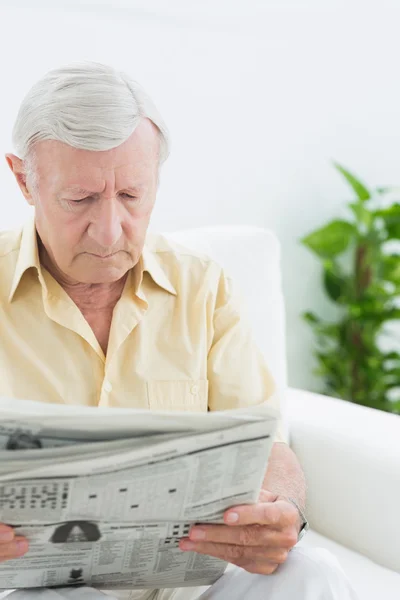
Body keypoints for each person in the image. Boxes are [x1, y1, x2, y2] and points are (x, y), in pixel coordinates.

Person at [0, 62, 358, 600]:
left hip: (191, 582)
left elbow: (268, 445)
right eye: (80, 199)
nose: (110, 229)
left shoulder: (203, 286)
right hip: (39, 587)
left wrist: (283, 511)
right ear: (25, 180)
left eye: (131, 196)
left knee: (314, 574)